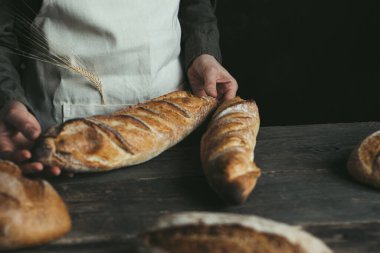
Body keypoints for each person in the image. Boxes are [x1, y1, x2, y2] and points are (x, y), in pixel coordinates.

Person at [0, 0, 238, 175]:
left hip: (176, 130)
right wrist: (7, 96)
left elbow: (194, 4)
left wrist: (202, 54)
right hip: (64, 142)